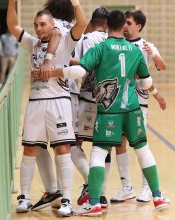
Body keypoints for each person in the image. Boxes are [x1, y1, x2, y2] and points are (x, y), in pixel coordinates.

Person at [41, 10, 170, 216]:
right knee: (143, 149)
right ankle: (157, 196)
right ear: (123, 27)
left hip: (109, 111)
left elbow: (80, 72)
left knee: (99, 153)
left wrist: (56, 72)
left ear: (107, 24)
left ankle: (94, 202)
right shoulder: (135, 50)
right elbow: (145, 82)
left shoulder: (101, 47)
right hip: (133, 109)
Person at [7, 0, 86, 216]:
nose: (39, 28)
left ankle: (67, 200)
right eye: (36, 25)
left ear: (53, 25)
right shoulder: (32, 43)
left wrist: (76, 3)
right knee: (30, 150)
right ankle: (24, 197)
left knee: (63, 150)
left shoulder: (66, 42)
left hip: (59, 101)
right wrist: (11, 3)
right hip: (35, 103)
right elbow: (13, 26)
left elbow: (82, 22)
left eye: (43, 24)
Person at [110, 9, 168, 204]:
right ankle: (126, 187)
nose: (125, 25)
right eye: (124, 22)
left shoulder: (146, 46)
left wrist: (153, 55)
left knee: (140, 144)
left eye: (128, 22)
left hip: (138, 102)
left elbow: (162, 66)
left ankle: (147, 188)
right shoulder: (119, 43)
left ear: (139, 26)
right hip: (119, 103)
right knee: (120, 143)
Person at [70, 6, 109, 208]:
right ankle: (102, 194)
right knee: (103, 148)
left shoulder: (87, 39)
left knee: (72, 143)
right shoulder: (113, 42)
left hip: (88, 99)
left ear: (92, 22)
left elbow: (79, 65)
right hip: (109, 102)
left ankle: (89, 183)